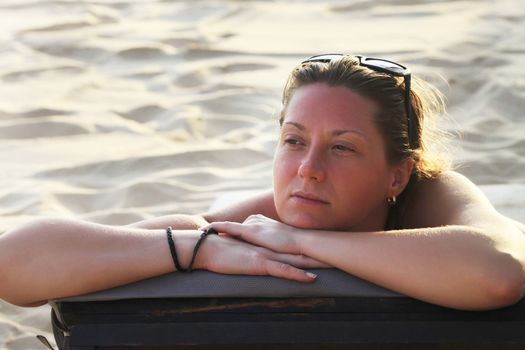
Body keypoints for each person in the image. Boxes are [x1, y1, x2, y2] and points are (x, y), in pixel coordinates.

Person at [0, 54, 524, 311]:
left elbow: (497, 273)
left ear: (397, 172)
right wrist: (194, 248)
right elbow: (13, 266)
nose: (308, 169)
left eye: (342, 147)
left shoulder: (428, 198)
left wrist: (298, 241)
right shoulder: (246, 225)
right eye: (294, 141)